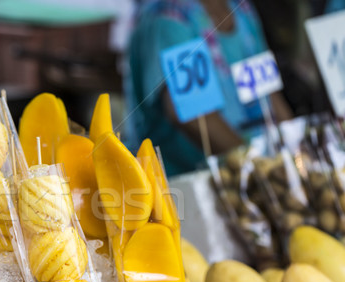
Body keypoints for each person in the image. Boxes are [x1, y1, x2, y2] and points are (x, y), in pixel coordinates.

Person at [123, 0, 292, 177]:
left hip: (251, 172)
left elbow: (269, 96)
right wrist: (262, 168)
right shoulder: (170, 16)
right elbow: (195, 116)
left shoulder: (241, 8)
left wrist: (295, 150)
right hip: (187, 186)